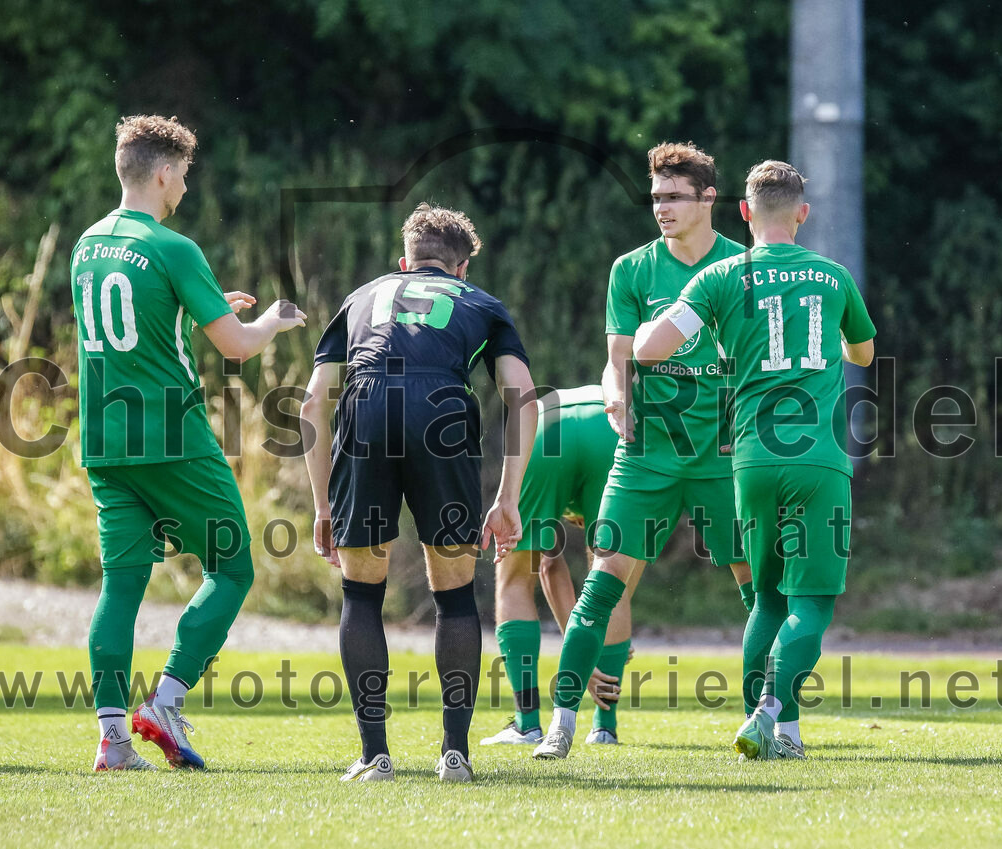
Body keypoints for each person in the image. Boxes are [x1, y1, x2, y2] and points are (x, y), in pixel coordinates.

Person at [73, 115, 306, 771]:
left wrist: (198, 304)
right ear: (163, 172)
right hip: (173, 437)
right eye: (184, 175)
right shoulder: (174, 248)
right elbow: (234, 345)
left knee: (121, 586)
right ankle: (167, 700)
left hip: (104, 442)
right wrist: (272, 320)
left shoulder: (87, 245)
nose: (184, 188)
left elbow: (134, 321)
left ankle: (113, 739)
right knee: (232, 567)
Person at [633, 160, 876, 759]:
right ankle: (771, 706)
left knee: (766, 599)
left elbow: (651, 350)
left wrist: (675, 338)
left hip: (751, 461)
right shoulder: (832, 275)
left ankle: (777, 734)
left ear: (743, 212)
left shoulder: (717, 278)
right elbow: (864, 354)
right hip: (818, 460)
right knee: (812, 601)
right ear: (803, 213)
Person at [300, 202, 537, 783]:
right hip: (442, 414)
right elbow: (523, 396)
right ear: (460, 270)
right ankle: (454, 754)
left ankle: (374, 755)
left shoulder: (360, 298)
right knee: (455, 594)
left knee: (361, 592)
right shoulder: (480, 303)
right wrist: (507, 497)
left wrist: (324, 503)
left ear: (404, 261)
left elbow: (310, 404)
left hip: (368, 407)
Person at [533, 142, 753, 760]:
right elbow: (617, 361)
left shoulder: (746, 267)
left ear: (709, 199)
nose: (661, 207)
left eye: (675, 197)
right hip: (647, 451)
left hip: (720, 450)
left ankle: (770, 718)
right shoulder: (632, 269)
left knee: (754, 582)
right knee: (603, 583)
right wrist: (615, 399)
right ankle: (562, 721)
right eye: (655, 197)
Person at [480, 385, 635, 747]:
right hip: (611, 427)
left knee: (515, 577)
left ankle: (527, 723)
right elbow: (558, 572)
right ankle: (604, 728)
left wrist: (580, 647)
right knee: (613, 580)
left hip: (547, 426)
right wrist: (585, 651)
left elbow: (548, 567)